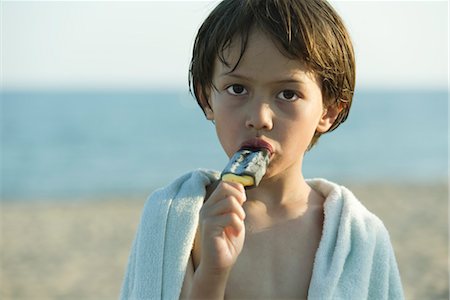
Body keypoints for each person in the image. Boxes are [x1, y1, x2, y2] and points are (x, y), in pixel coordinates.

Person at [121, 0, 404, 299]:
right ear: (207, 99)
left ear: (328, 111)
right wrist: (213, 271)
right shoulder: (175, 221)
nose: (259, 118)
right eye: (237, 89)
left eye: (287, 94)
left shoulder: (359, 237)